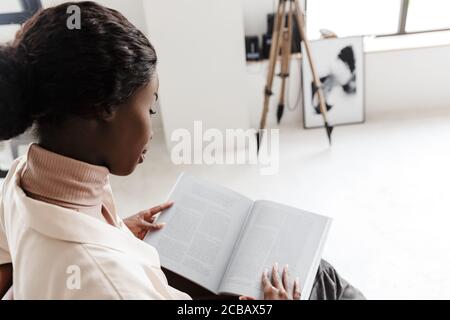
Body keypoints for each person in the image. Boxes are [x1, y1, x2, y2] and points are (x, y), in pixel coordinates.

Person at [0, 1, 364, 300]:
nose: (152, 128)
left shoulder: (21, 182)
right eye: (150, 107)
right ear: (103, 107)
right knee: (320, 278)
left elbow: (35, 268)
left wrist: (117, 234)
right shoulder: (107, 284)